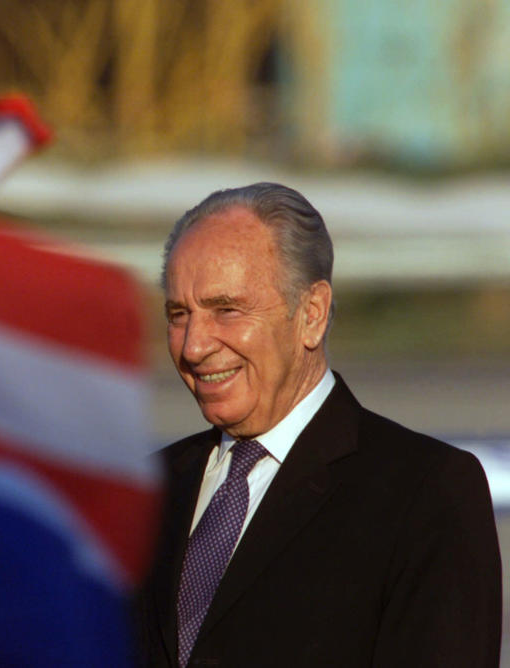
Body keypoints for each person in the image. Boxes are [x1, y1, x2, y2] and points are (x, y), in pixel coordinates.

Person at [136, 182, 502, 667]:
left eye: (227, 310)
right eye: (179, 314)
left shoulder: (425, 493)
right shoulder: (144, 490)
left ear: (311, 314)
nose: (194, 345)